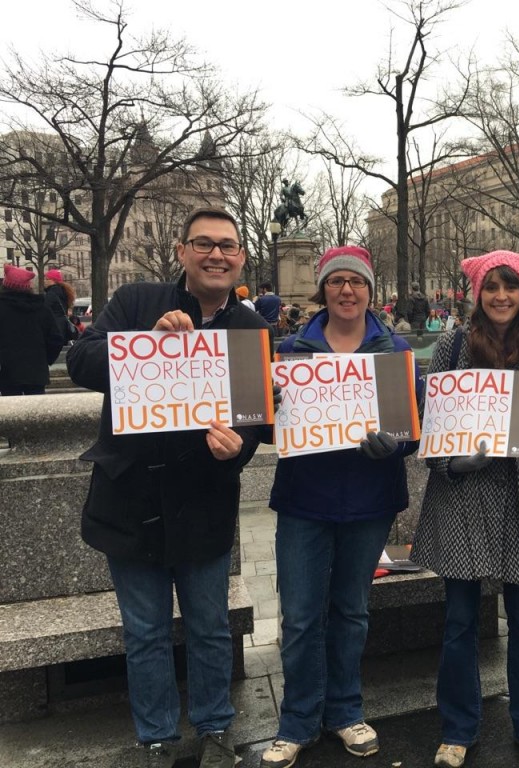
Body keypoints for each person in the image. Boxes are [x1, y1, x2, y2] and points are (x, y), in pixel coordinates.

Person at [66, 207, 272, 768]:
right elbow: (81, 359)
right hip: (129, 498)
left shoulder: (250, 328)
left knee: (210, 628)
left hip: (202, 500)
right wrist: (141, 343)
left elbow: (255, 416)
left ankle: (214, 730)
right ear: (181, 252)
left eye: (228, 246)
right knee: (145, 632)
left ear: (241, 258)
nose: (216, 255)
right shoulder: (138, 301)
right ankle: (155, 737)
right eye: (204, 243)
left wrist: (243, 445)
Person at [411, 250, 519, 768]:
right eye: (491, 287)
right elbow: (431, 435)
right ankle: (458, 727)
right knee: (460, 621)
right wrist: (454, 464)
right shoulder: (452, 347)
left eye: (510, 286)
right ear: (476, 294)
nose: (501, 296)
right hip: (463, 499)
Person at [261, 246, 420, 768]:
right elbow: (267, 429)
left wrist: (393, 445)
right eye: (336, 282)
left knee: (350, 612)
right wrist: (272, 412)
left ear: (370, 290)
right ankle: (298, 720)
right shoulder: (291, 351)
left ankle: (346, 711)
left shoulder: (394, 350)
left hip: (368, 501)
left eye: (356, 281)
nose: (347, 290)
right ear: (322, 289)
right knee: (301, 615)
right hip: (305, 500)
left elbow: (412, 432)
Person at [0, 264, 64, 395]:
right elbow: (56, 339)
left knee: (11, 413)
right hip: (36, 372)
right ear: (28, 287)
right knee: (37, 413)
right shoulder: (42, 308)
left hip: (7, 372)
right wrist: (44, 360)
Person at [44, 268, 77, 343]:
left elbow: (45, 309)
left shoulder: (51, 294)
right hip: (63, 326)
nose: (44, 281)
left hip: (54, 328)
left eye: (46, 279)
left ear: (53, 281)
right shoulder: (63, 292)